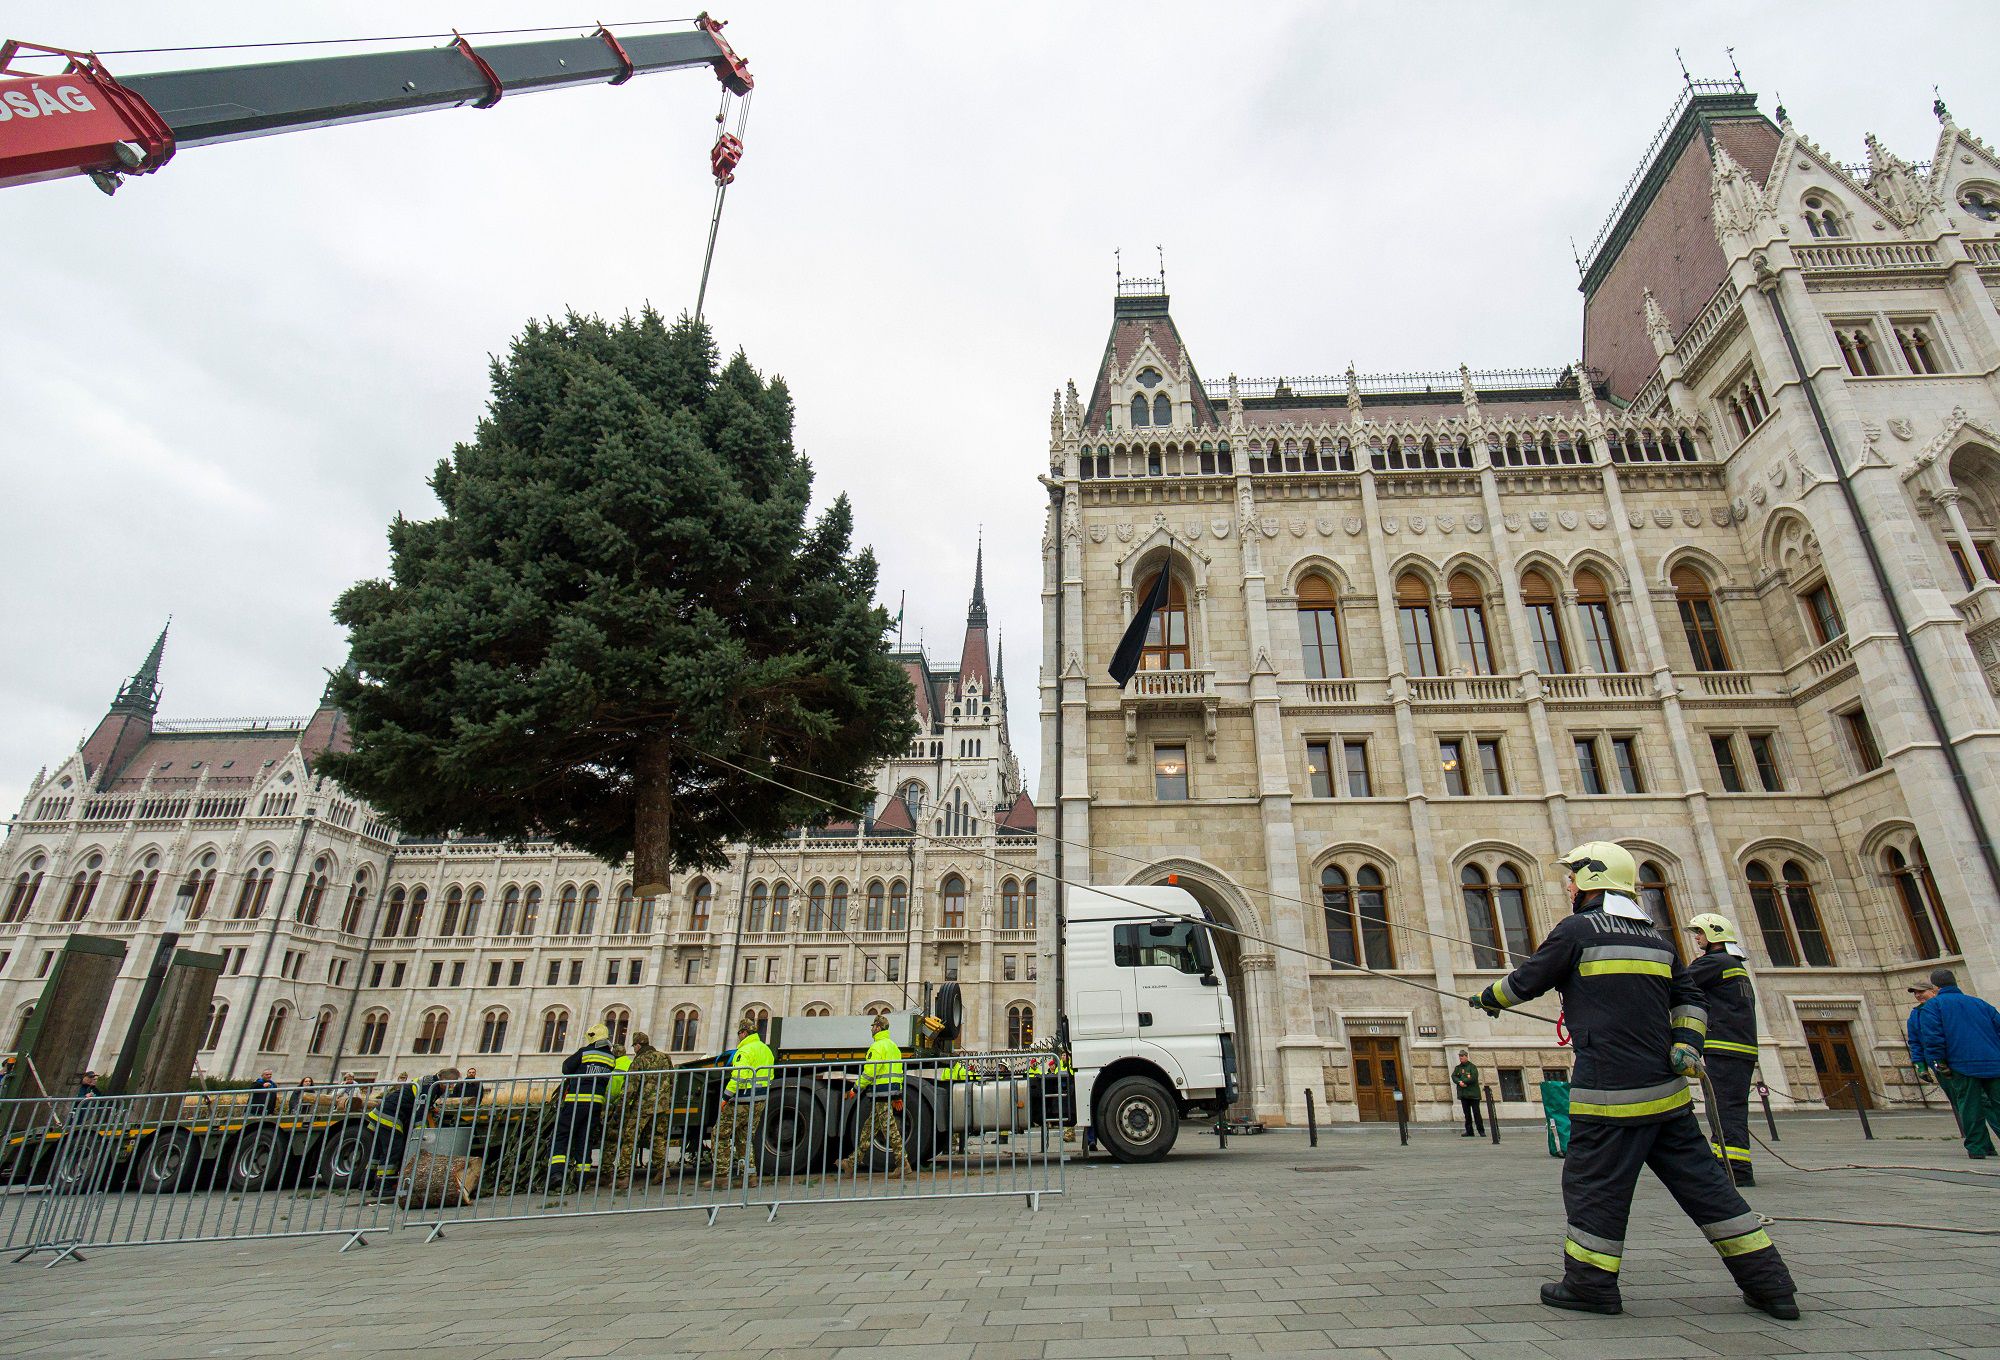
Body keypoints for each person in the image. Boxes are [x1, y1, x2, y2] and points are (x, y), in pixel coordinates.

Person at [1471, 840, 1798, 1319]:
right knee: (1708, 1189)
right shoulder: (1656, 938)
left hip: (1610, 1097)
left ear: (1589, 880)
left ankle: (1590, 1285)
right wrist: (1687, 1043)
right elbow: (1690, 998)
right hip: (1667, 1097)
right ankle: (1772, 1285)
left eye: (1572, 876)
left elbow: (1527, 980)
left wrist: (1487, 999)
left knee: (1593, 1187)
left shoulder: (1577, 930)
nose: (1566, 884)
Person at [1685, 913, 1759, 1186]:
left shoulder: (1714, 963)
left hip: (1724, 1048)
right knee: (1732, 1109)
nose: (1697, 938)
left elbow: (1679, 982)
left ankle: (1736, 1170)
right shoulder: (1735, 965)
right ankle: (1727, 1161)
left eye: (1700, 933)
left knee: (1723, 1109)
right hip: (1741, 1049)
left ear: (1714, 935)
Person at [1910, 967, 2000, 1160]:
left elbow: (1933, 1037)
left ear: (1935, 987)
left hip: (1961, 1064)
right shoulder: (1979, 1003)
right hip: (1993, 1063)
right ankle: (1987, 1146)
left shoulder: (1932, 1007)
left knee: (1968, 1105)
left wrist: (1940, 1062)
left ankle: (1977, 1147)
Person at [364, 1067, 460, 1194]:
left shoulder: (431, 1083)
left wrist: (431, 1107)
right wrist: (421, 1132)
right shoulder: (431, 1087)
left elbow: (420, 1101)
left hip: (384, 1113)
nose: (451, 1087)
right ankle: (382, 1187)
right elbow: (420, 1110)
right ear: (443, 1079)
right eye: (450, 1083)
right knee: (393, 1150)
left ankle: (366, 1182)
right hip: (390, 1115)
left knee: (378, 1151)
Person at [837, 1014, 905, 1177]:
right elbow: (899, 1073)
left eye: (873, 1026)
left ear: (878, 1028)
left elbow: (869, 1073)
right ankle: (852, 1163)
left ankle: (903, 1164)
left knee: (890, 1129)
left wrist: (855, 1089)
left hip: (881, 1091)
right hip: (890, 1091)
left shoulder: (877, 1047)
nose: (872, 1029)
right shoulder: (893, 1046)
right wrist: (897, 1095)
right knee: (869, 1129)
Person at [549, 1023, 617, 1185]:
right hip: (595, 1104)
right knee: (584, 1139)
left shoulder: (585, 1053)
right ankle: (582, 1178)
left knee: (562, 1135)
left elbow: (566, 1067)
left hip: (576, 1101)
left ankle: (556, 1174)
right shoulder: (611, 1058)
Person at [712, 1018, 772, 1188]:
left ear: (744, 1033)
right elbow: (771, 1076)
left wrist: (725, 1097)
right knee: (745, 1138)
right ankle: (750, 1176)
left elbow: (739, 1076)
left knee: (719, 1135)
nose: (738, 1037)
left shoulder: (744, 1051)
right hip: (759, 1099)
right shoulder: (765, 1050)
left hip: (742, 1100)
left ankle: (722, 1177)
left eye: (739, 1033)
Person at [610, 1033, 676, 1188]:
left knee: (630, 1138)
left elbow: (631, 1087)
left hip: (643, 1107)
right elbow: (672, 1080)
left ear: (638, 1045)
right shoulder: (664, 1057)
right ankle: (662, 1170)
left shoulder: (639, 1060)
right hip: (661, 1106)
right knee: (658, 1137)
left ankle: (623, 1176)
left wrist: (621, 1107)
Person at [1452, 1050, 1485, 1137]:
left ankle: (1481, 1130)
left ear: (1466, 1056)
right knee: (1467, 1114)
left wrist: (1462, 1081)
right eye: (1460, 1057)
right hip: (1464, 1094)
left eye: (1462, 1056)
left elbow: (1473, 1078)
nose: (1461, 1058)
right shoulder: (1458, 1068)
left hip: (1473, 1094)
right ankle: (1469, 1131)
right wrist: (1459, 1082)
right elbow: (1454, 1076)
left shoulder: (1472, 1067)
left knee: (1476, 1113)